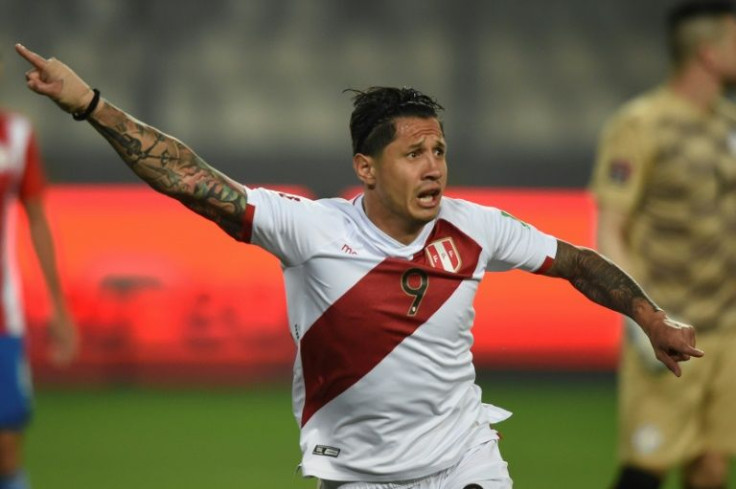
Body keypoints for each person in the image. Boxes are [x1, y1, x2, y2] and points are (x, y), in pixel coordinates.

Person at [15, 43, 703, 489]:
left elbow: (576, 261)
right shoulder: (310, 229)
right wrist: (91, 106)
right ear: (366, 169)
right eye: (414, 154)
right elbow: (191, 180)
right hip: (359, 476)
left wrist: (650, 317)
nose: (433, 166)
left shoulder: (474, 227)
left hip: (466, 461)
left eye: (438, 150)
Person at [591, 1, 736, 488]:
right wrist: (642, 316)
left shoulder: (729, 124)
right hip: (674, 327)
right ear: (709, 53)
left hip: (730, 330)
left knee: (712, 466)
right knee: (646, 467)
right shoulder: (641, 124)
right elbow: (611, 225)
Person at [0, 52, 77, 489]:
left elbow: (36, 219)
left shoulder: (15, 134)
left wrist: (59, 308)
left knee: (7, 444)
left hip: (1, 318)